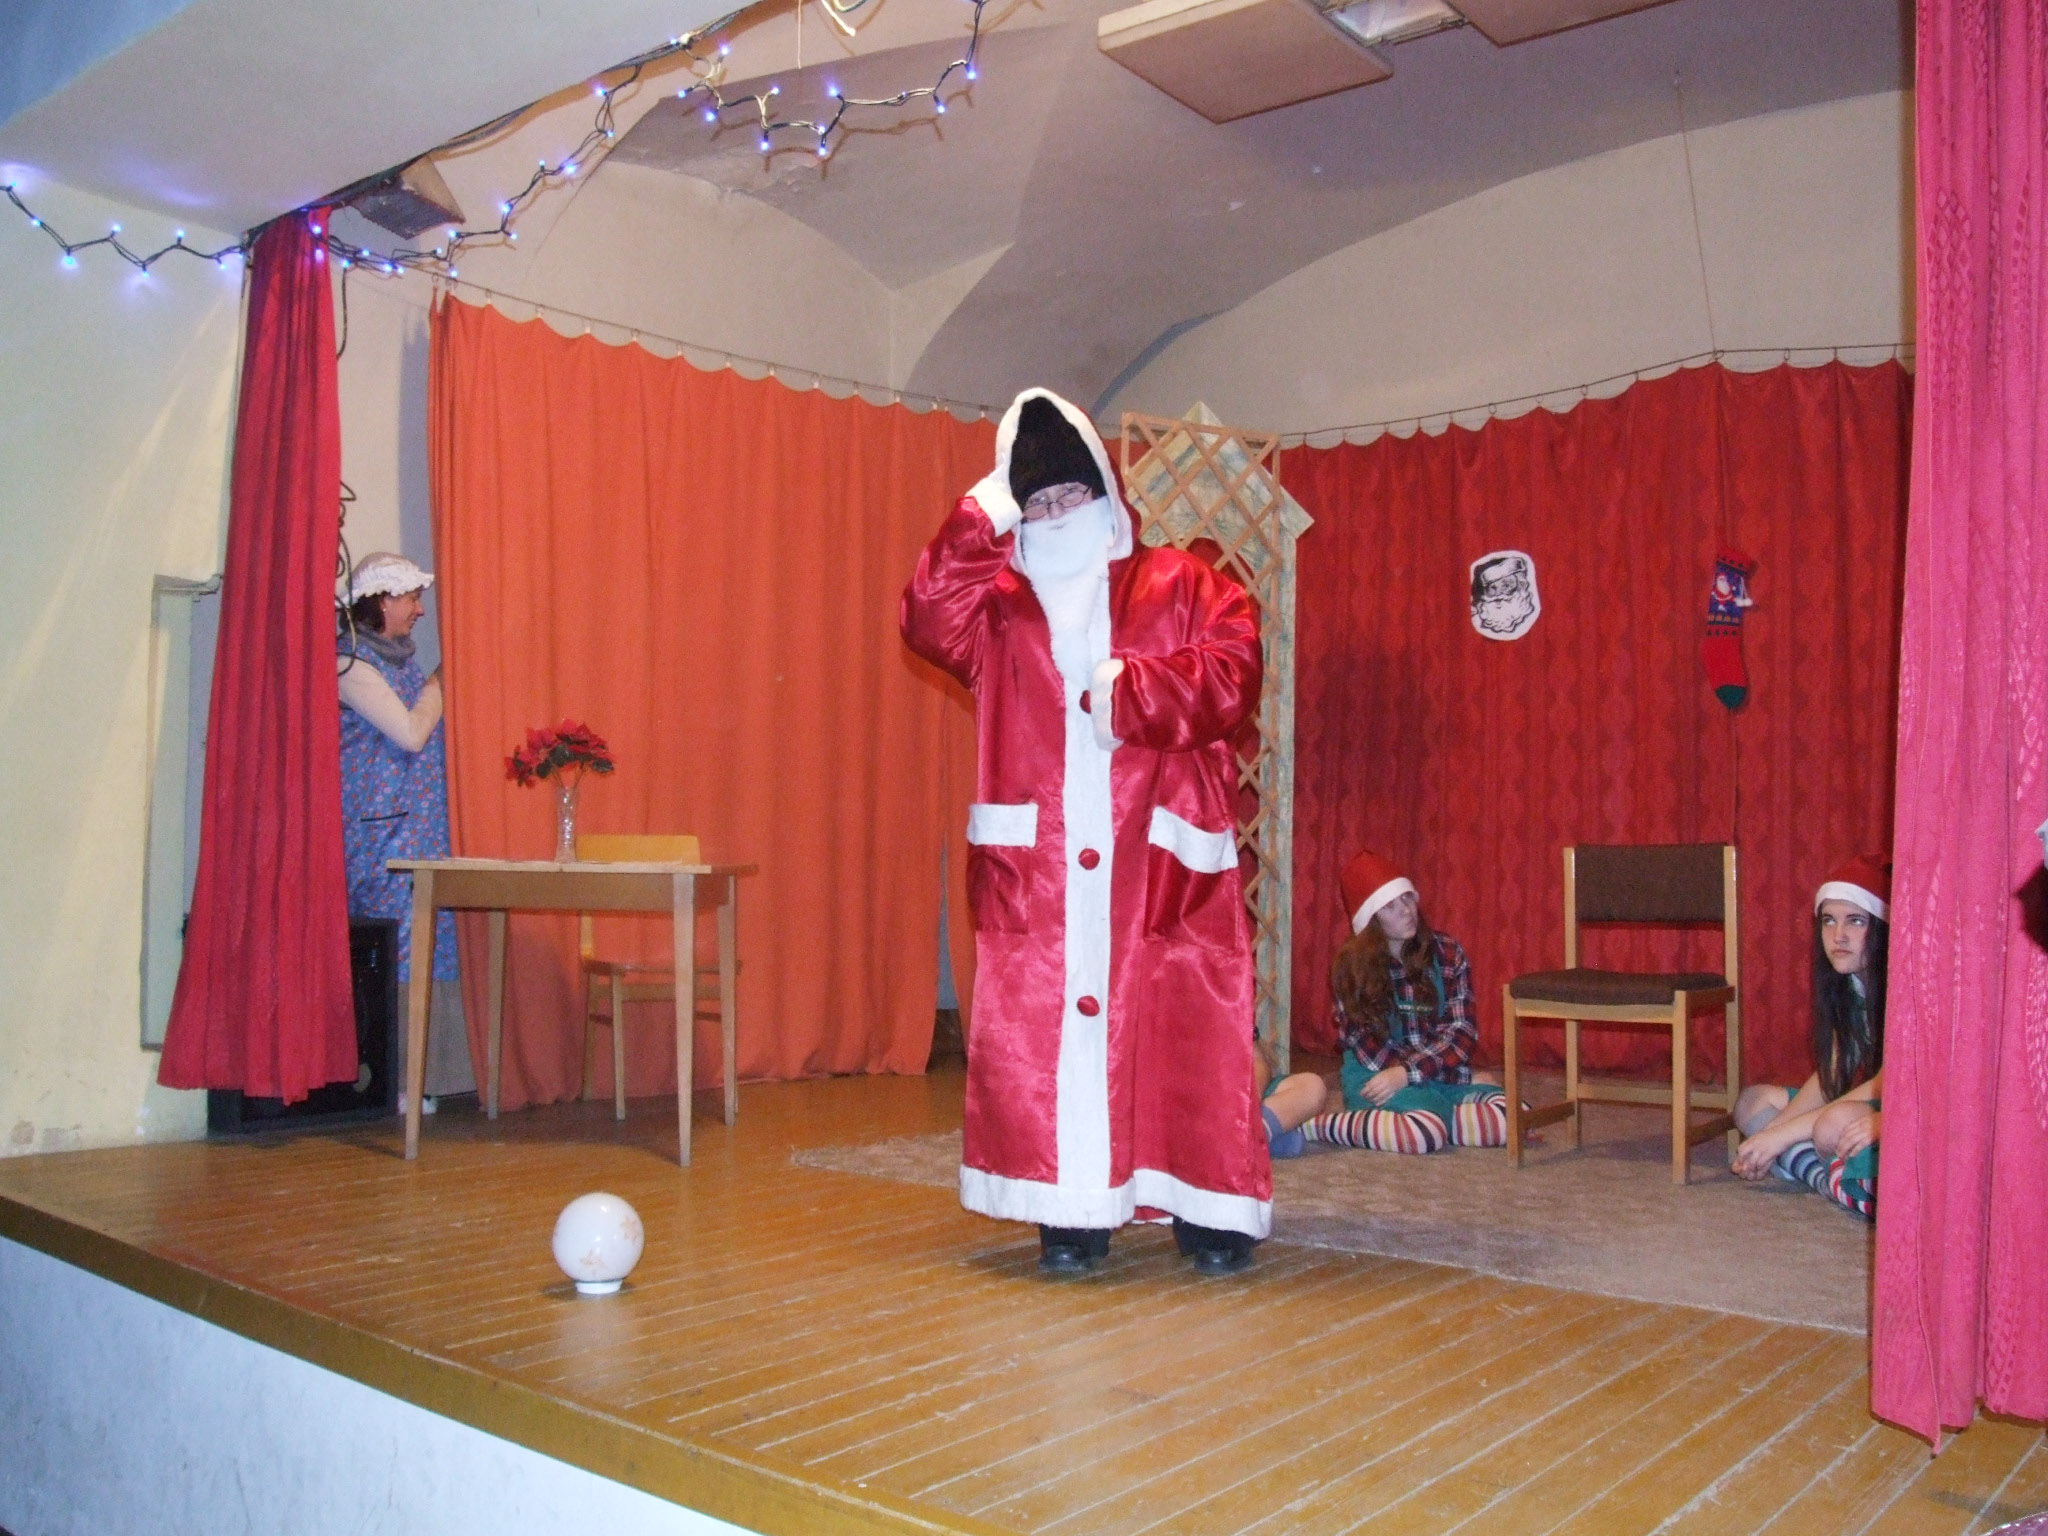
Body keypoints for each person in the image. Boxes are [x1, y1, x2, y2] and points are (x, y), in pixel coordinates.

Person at [901, 388, 1270, 1275]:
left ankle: (1207, 1206)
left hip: (1160, 858)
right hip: (1040, 870)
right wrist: (986, 507)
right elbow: (924, 617)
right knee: (1045, 1043)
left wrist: (1131, 691)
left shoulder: (1181, 582)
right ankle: (1067, 1211)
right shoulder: (997, 605)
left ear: (1103, 492)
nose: (1057, 512)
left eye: (1071, 492)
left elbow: (1236, 671)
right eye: (1038, 500)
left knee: (1183, 1030)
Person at [1302, 850, 1508, 1153]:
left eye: (1407, 898)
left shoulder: (1448, 952)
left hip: (1430, 1071)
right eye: (1390, 906)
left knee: (1511, 1118)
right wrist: (1432, 1077)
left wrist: (1412, 1073)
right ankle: (1315, 1126)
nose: (1407, 911)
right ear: (1371, 920)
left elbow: (1461, 1033)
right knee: (1425, 1133)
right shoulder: (1351, 967)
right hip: (1377, 1076)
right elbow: (1367, 1046)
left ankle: (1430, 1118)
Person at [1730, 856, 1888, 1218]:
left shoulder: (1902, 989)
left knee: (1831, 1125)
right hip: (1863, 1106)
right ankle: (1826, 1174)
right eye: (1829, 920)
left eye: (1856, 921)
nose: (1838, 936)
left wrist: (1780, 1138)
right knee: (1752, 1103)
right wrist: (1770, 1134)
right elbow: (1832, 1074)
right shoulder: (1850, 984)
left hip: (1905, 1109)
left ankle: (1828, 1177)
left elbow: (1886, 1085)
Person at [337, 553, 459, 1019]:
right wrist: (438, 685)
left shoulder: (402, 663)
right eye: (411, 598)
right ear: (383, 602)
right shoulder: (350, 664)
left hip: (418, 833)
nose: (420, 609)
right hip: (382, 839)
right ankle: (398, 1060)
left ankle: (428, 1060)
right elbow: (410, 733)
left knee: (431, 947)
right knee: (397, 950)